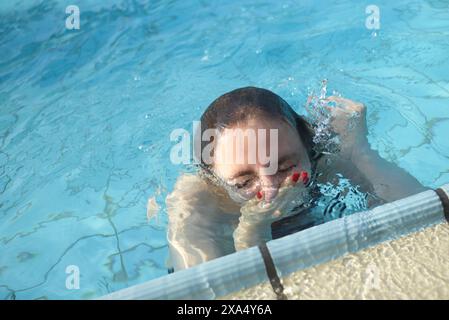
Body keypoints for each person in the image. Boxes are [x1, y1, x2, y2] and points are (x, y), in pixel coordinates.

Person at [165, 86, 426, 272]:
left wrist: (358, 151)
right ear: (213, 182)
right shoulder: (197, 203)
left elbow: (426, 217)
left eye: (285, 166)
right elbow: (224, 302)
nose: (270, 190)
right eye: (244, 183)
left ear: (308, 149)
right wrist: (252, 232)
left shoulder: (322, 163)